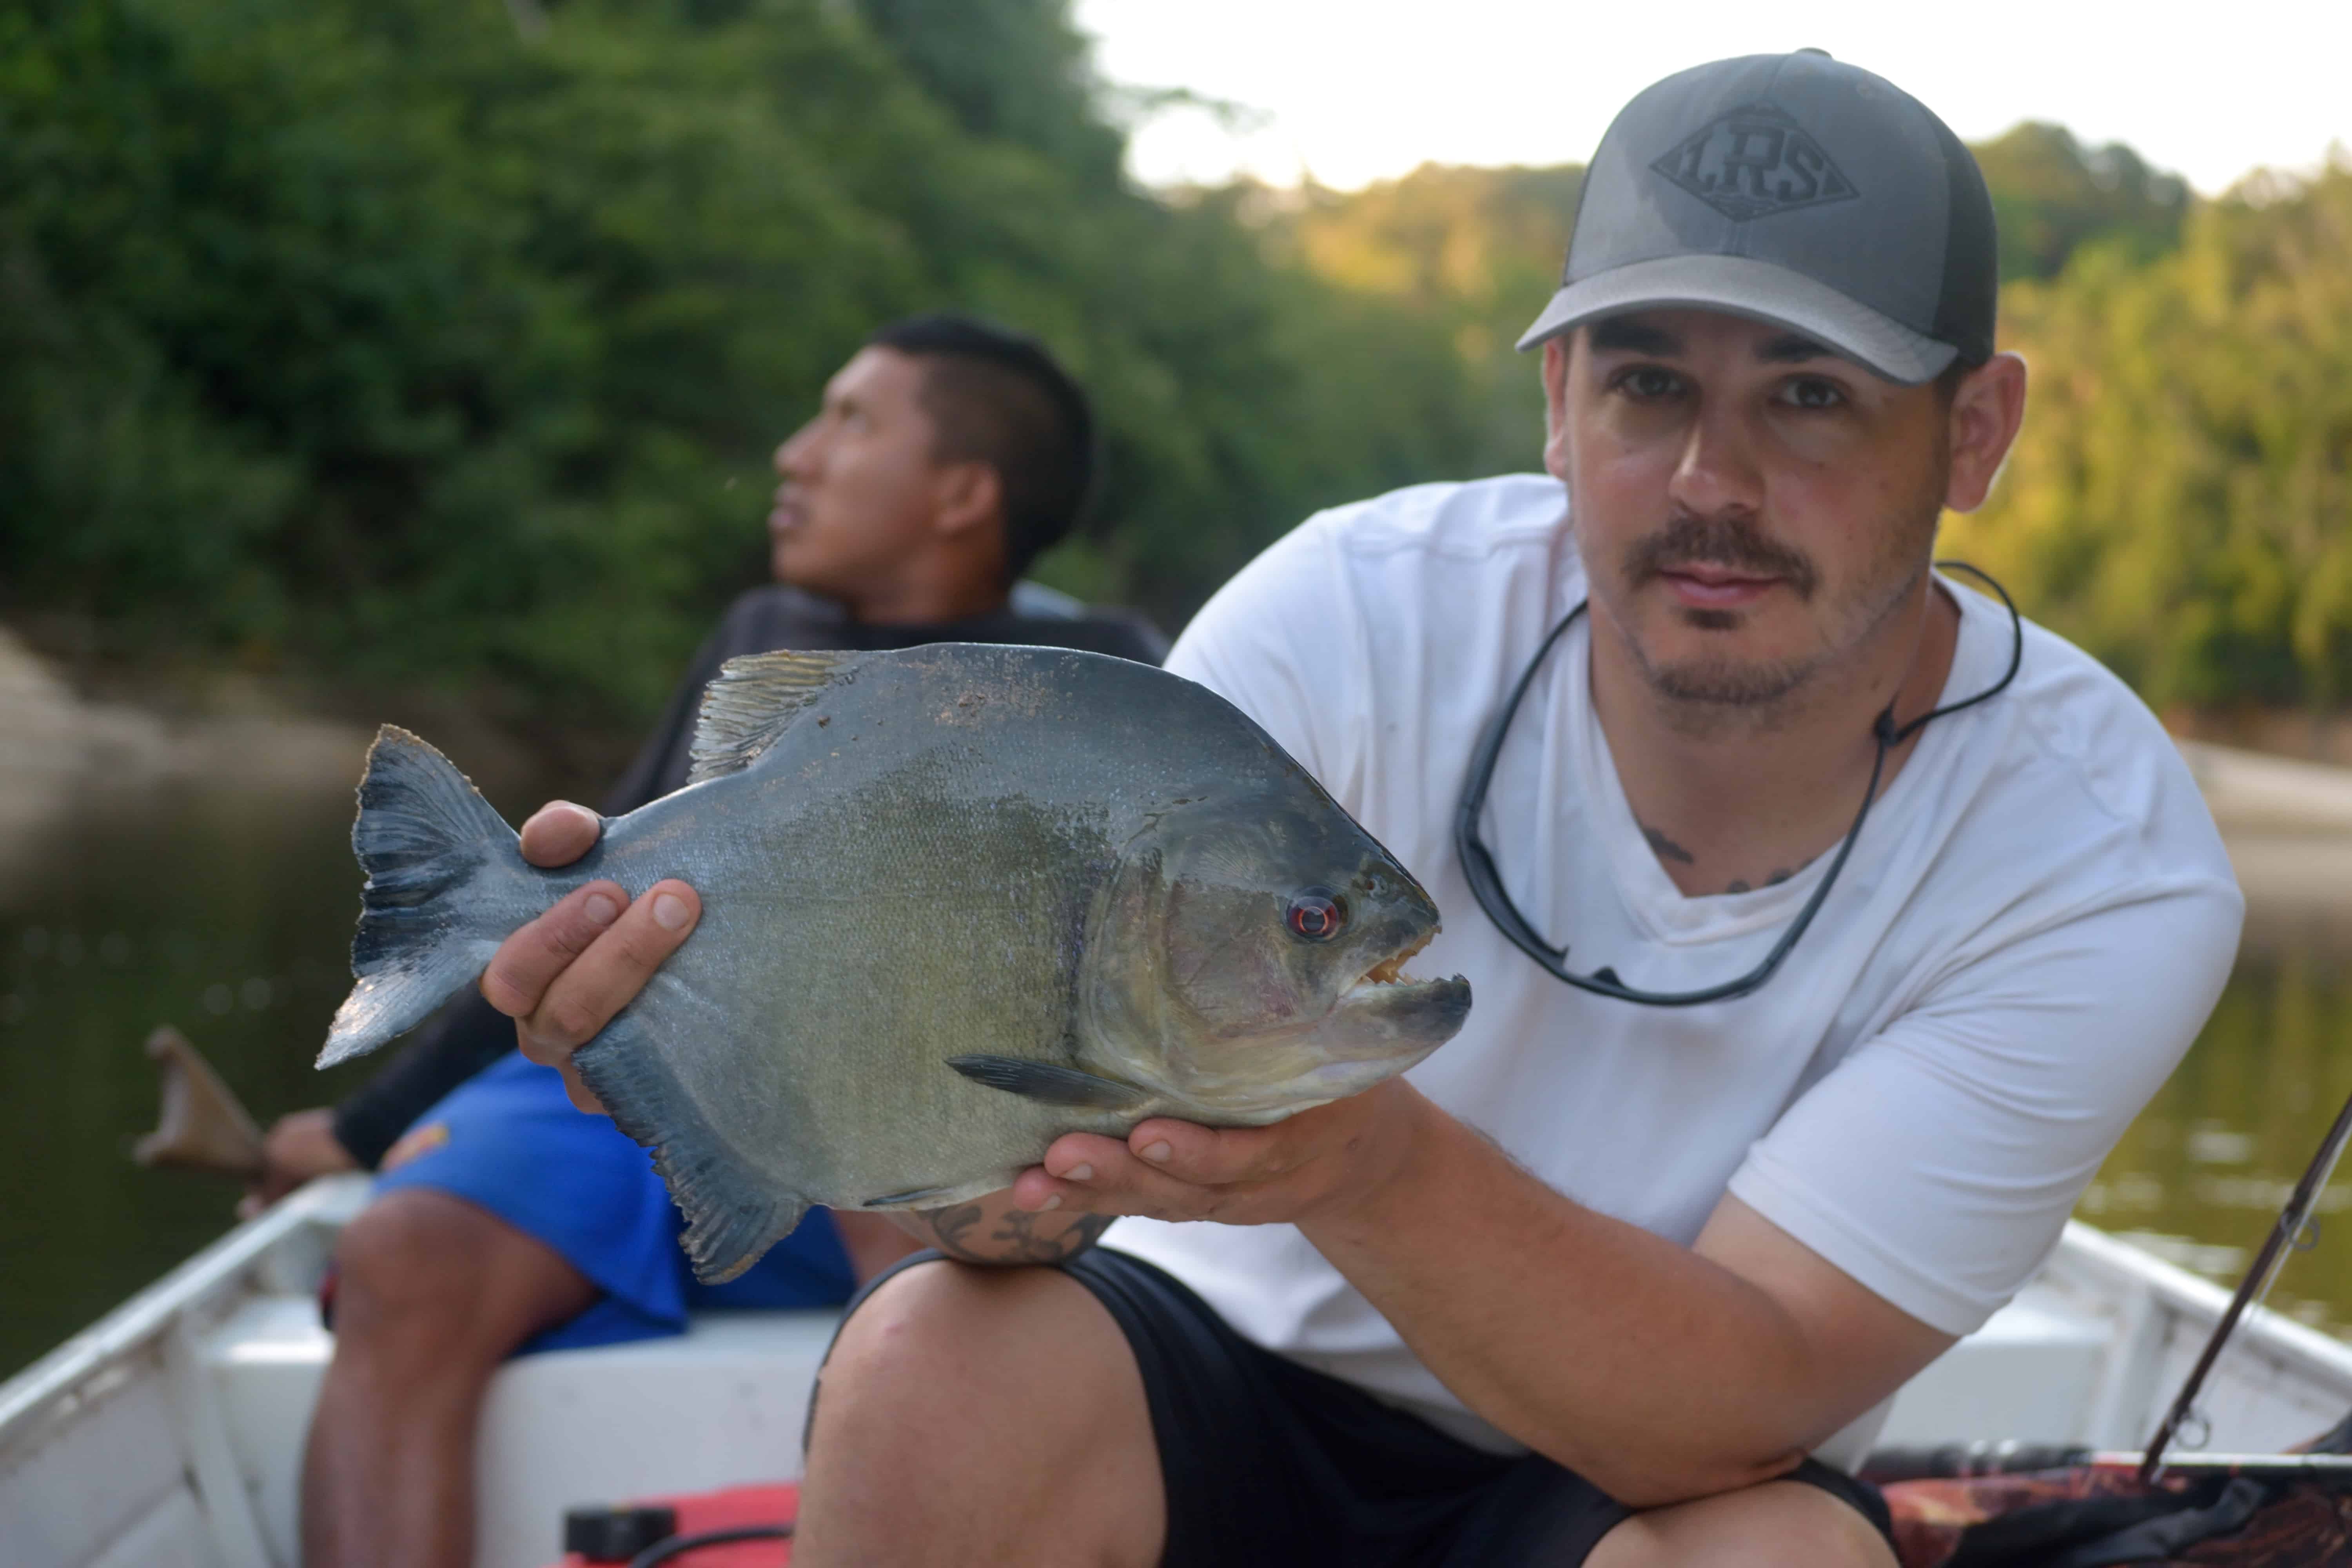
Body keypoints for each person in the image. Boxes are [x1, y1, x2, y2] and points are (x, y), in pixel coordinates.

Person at [486, 54, 2245, 1568]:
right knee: (931, 1359)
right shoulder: (1347, 614)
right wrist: (744, 1066)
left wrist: (1367, 1156)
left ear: (1974, 431)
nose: (1714, 482)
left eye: (1811, 396)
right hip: (1210, 1362)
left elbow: (1744, 1393)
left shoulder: (2095, 863)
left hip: (1639, 1468)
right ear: (1557, 403)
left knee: (1775, 1554)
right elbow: (1017, 1199)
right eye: (1648, 383)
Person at [262, 312, 1167, 1568]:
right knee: (401, 1250)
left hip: (944, 1120)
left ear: (963, 493)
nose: (795, 455)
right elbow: (580, 909)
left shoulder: (1109, 678)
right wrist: (358, 1134)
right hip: (676, 1058)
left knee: (912, 1244)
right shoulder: (761, 632)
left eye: (850, 421)